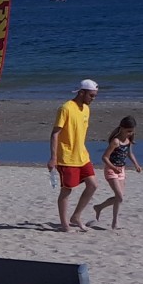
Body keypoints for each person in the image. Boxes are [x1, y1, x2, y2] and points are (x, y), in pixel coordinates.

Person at [49, 79, 99, 232]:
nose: (93, 98)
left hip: (82, 155)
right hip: (67, 156)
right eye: (91, 95)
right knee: (67, 190)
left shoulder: (86, 109)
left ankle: (76, 216)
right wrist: (53, 158)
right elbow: (55, 134)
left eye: (95, 96)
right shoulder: (66, 108)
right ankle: (65, 225)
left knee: (93, 185)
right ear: (81, 92)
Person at [90, 116, 140, 230]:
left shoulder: (128, 140)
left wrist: (136, 165)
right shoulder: (116, 141)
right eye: (128, 131)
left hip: (121, 170)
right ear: (122, 128)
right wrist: (113, 167)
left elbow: (129, 153)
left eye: (132, 131)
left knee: (119, 198)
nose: (130, 133)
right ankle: (101, 209)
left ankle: (112, 220)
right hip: (111, 169)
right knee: (120, 196)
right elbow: (104, 157)